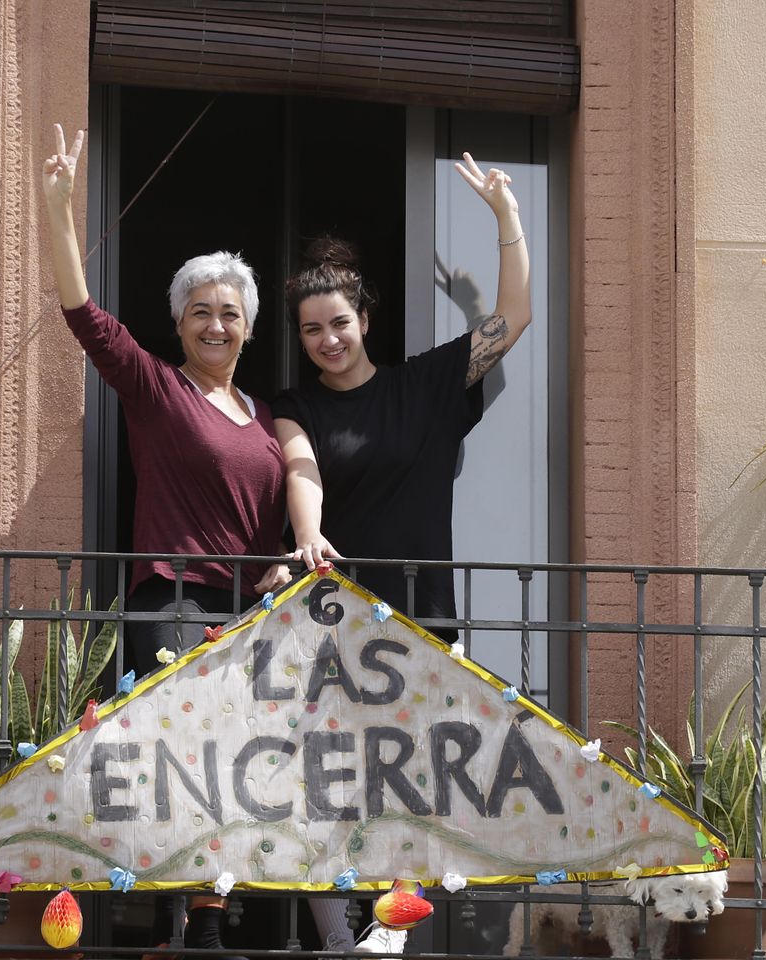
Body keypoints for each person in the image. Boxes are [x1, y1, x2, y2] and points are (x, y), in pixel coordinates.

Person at [271, 153, 532, 952]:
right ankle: (335, 930)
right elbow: (298, 463)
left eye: (339, 324)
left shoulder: (426, 386)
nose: (327, 340)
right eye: (312, 330)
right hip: (332, 622)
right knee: (323, 785)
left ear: (365, 320)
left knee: (411, 780)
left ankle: (391, 926)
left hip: (422, 620)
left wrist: (506, 221)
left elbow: (515, 319)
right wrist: (308, 532)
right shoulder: (292, 404)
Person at [42, 123, 286, 954]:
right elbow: (83, 314)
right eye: (199, 312)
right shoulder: (156, 389)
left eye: (229, 313)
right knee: (183, 753)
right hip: (173, 598)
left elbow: (276, 519)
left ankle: (205, 924)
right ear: (179, 324)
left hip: (243, 611)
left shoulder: (263, 422)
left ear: (248, 328)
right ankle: (170, 921)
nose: (214, 324)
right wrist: (56, 207)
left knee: (233, 765)